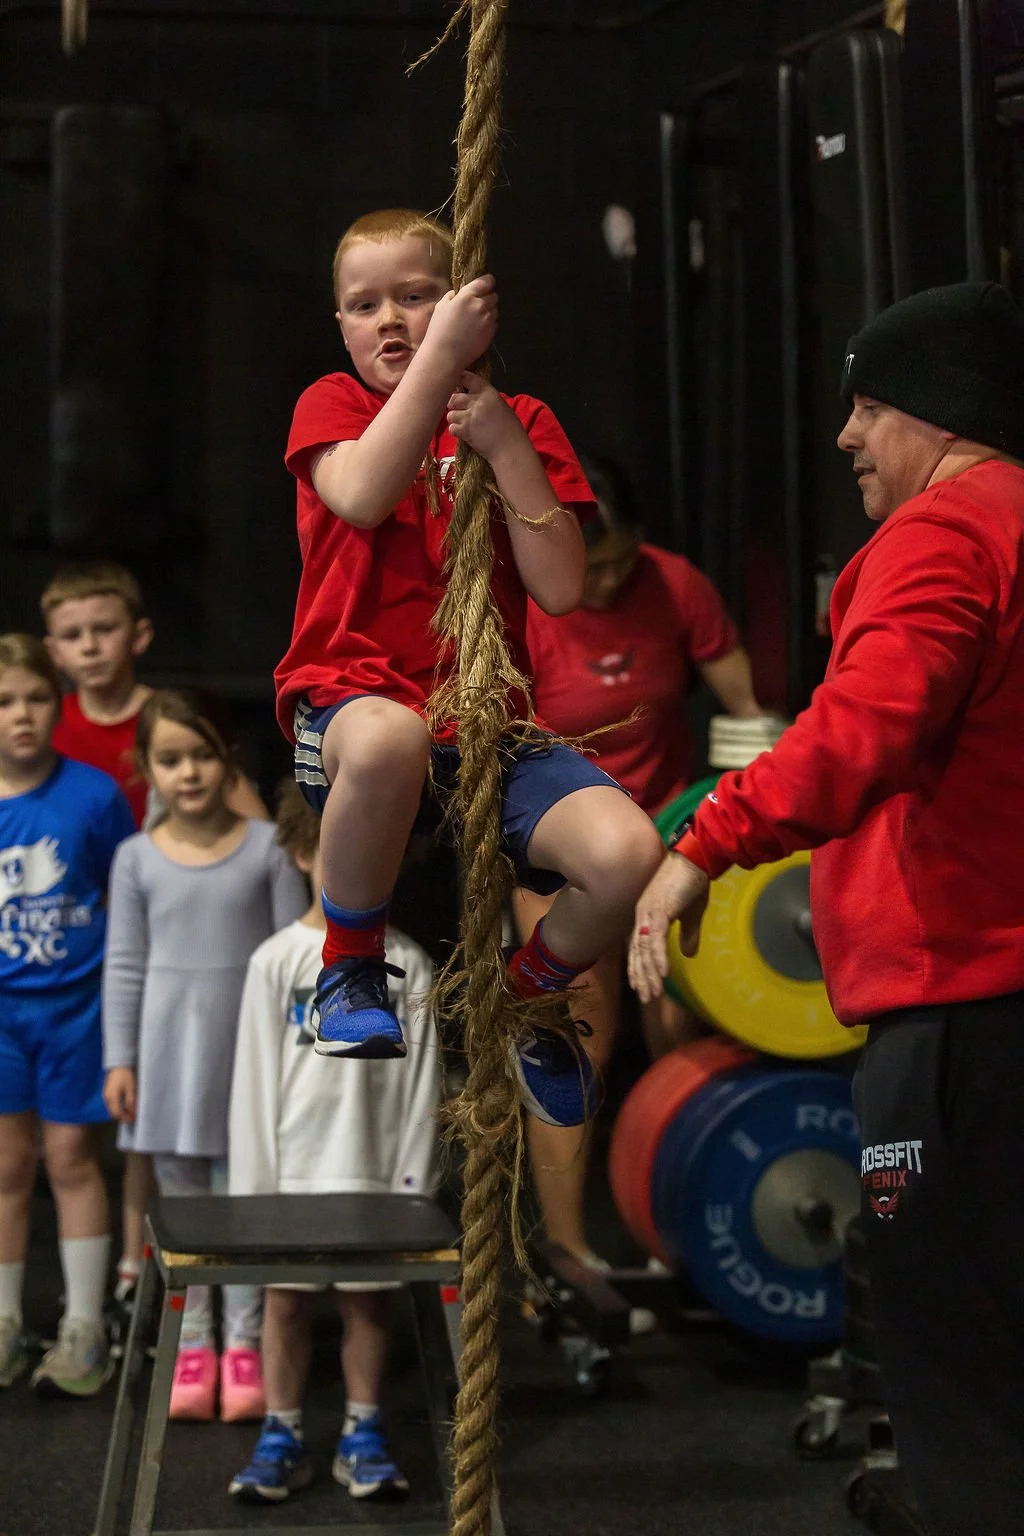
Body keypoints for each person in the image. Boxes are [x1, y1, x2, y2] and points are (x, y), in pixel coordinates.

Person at [628, 282, 1024, 1536]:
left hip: (955, 1017)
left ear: (940, 411)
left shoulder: (942, 535)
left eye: (866, 404)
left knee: (945, 1326)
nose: (847, 435)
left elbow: (863, 730)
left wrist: (703, 842)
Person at [274, 207, 663, 1128]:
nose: (392, 321)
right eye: (365, 305)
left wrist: (500, 443)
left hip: (486, 722)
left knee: (628, 854)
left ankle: (528, 996)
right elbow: (364, 496)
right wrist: (442, 363)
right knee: (389, 738)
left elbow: (563, 588)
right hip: (356, 703)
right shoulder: (332, 406)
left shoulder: (517, 420)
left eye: (416, 297)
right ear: (339, 326)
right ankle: (350, 966)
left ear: (465, 305)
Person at [517, 453, 760, 1268]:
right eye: (596, 568)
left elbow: (749, 714)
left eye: (623, 563)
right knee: (575, 1036)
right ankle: (572, 1255)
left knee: (683, 1020)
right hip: (564, 857)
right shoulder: (518, 604)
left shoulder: (676, 585)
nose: (611, 585)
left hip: (667, 847)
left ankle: (683, 1236)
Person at [42, 560, 269, 1316]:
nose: (92, 647)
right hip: (80, 956)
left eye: (105, 629)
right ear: (53, 650)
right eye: (74, 635)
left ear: (138, 634)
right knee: (121, 1129)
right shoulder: (49, 723)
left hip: (182, 951)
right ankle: (135, 1295)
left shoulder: (173, 719)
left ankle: (155, 1280)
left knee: (161, 1137)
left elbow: (255, 833)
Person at [226, 781, 441, 1504]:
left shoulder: (408, 964)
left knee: (366, 1305)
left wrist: (414, 1186)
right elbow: (253, 1082)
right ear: (298, 852)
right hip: (289, 1176)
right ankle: (280, 1432)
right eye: (332, 850)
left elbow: (422, 1089)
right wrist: (255, 1192)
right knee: (284, 1304)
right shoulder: (275, 960)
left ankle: (362, 1430)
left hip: (375, 1175)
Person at [102, 689, 307, 1423]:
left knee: (244, 1206)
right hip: (166, 1059)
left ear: (230, 760)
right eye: (170, 759)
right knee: (184, 1206)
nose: (187, 773)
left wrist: (291, 1060)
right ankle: (193, 1345)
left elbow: (292, 962)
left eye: (202, 755)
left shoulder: (269, 851)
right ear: (147, 770)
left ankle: (245, 1347)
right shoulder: (134, 860)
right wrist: (118, 1060)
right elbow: (124, 964)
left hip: (246, 1060)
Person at [0, 634, 135, 1396]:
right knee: (7, 1165)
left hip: (76, 1010)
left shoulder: (93, 794)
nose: (22, 716)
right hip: (1, 1016)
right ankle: (6, 1321)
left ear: (58, 704)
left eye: (36, 698)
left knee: (71, 1161)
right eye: (5, 702)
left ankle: (85, 1326)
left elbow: (127, 893)